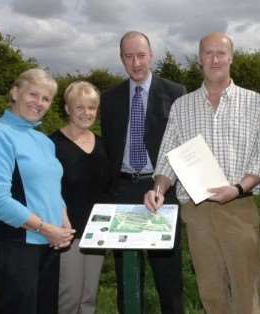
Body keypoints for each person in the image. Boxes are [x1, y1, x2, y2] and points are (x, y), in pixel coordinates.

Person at [145, 32, 260, 314]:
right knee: (211, 292)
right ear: (199, 60)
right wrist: (158, 189)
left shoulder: (254, 102)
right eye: (207, 53)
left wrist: (238, 188)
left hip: (239, 206)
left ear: (231, 58)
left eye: (221, 53)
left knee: (245, 290)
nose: (214, 59)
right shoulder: (182, 106)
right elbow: (168, 156)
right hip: (197, 209)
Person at [100, 31, 186, 314]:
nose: (135, 63)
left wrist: (165, 186)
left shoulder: (175, 93)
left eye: (140, 55)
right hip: (123, 190)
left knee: (168, 274)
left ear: (151, 56)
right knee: (127, 274)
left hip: (162, 189)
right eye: (128, 56)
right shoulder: (109, 99)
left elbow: (182, 145)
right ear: (121, 59)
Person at [0, 68, 75, 314]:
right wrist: (46, 229)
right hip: (13, 246)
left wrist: (63, 221)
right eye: (33, 94)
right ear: (15, 92)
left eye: (46, 98)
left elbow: (52, 188)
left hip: (48, 245)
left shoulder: (44, 141)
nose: (39, 102)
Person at [50, 81, 110, 314]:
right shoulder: (51, 144)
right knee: (69, 297)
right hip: (67, 233)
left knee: (89, 298)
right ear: (67, 109)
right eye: (80, 107)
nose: (87, 113)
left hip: (97, 232)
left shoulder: (103, 144)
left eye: (92, 107)